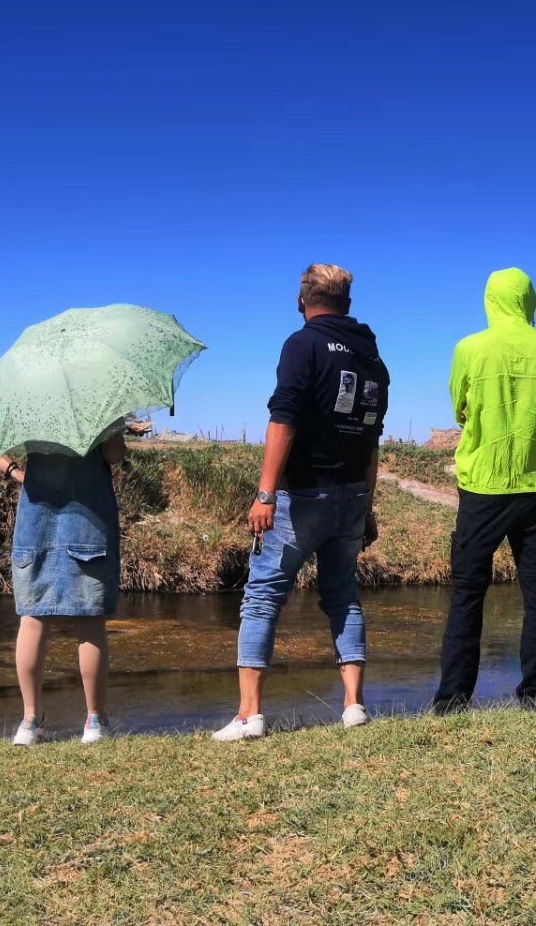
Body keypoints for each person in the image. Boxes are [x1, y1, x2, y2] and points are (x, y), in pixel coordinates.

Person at [213, 264, 390, 741]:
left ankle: (249, 716)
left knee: (263, 596)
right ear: (347, 303)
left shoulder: (302, 344)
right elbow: (372, 439)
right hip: (353, 494)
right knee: (343, 595)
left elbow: (283, 419)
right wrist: (368, 505)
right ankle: (353, 706)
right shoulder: (371, 355)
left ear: (302, 301)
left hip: (302, 496)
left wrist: (265, 493)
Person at [433, 267, 536, 713]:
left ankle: (452, 700)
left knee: (467, 594)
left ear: (490, 300)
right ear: (528, 300)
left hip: (482, 487)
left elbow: (459, 407)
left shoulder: (469, 348)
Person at [0, 424, 126, 744]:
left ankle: (30, 722)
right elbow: (114, 455)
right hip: (88, 524)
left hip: (35, 524)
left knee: (33, 619)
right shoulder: (95, 406)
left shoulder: (30, 404)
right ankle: (95, 722)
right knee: (90, 623)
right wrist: (116, 426)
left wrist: (14, 471)